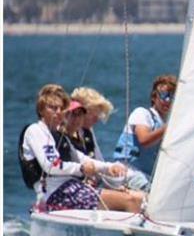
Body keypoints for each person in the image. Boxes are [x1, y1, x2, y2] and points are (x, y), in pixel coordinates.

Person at [19, 84, 143, 213]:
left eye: (61, 108)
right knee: (130, 201)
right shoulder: (36, 130)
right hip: (55, 194)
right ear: (41, 110)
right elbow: (51, 165)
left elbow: (80, 158)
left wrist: (108, 167)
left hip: (71, 187)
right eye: (52, 108)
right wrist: (81, 169)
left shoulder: (59, 136)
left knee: (138, 198)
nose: (57, 112)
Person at [112, 74, 177, 190]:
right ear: (154, 97)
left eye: (172, 96)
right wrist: (169, 127)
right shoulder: (142, 114)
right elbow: (144, 140)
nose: (167, 101)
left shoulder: (164, 123)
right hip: (128, 171)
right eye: (164, 95)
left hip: (147, 176)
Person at [70, 86, 114, 160]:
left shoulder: (88, 131)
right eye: (93, 114)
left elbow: (98, 158)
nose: (97, 119)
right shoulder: (68, 131)